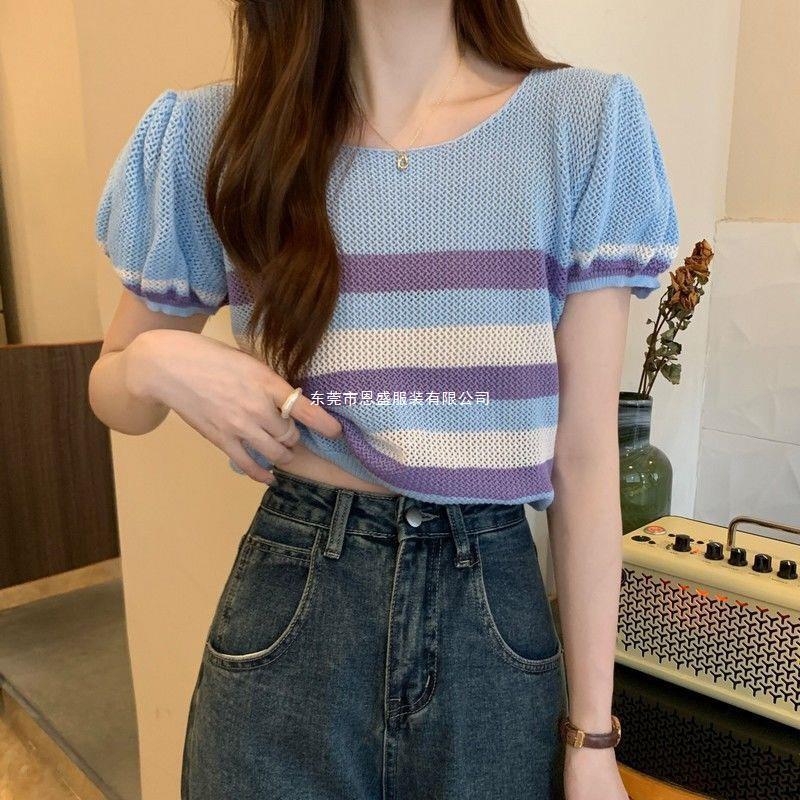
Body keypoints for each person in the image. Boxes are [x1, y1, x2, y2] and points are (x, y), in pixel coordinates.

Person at [89, 2, 679, 798]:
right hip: (293, 612)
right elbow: (115, 396)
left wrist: (593, 739)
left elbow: (584, 459)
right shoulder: (217, 136)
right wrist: (154, 361)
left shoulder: (582, 124)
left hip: (492, 623)